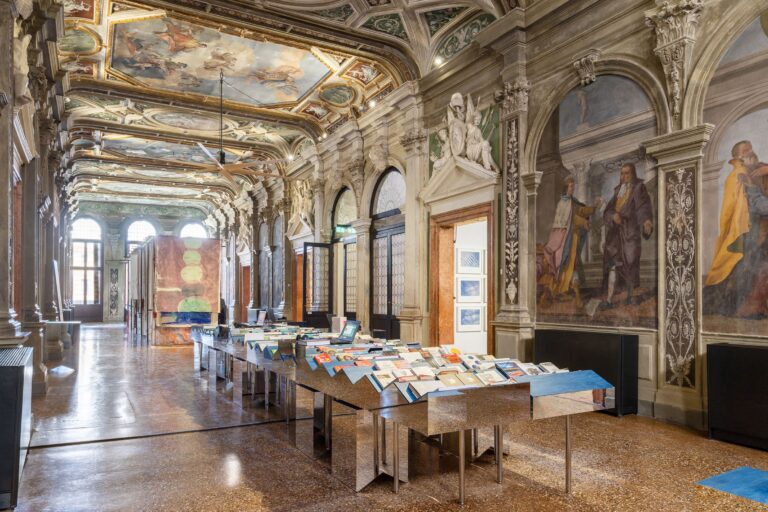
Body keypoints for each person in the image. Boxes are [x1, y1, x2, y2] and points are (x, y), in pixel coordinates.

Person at [703, 141, 760, 315]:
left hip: (749, 226)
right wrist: (729, 230)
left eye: (751, 147)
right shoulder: (738, 175)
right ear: (738, 156)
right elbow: (728, 209)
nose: (751, 151)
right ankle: (728, 307)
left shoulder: (751, 173)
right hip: (741, 228)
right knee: (737, 266)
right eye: (746, 150)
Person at [540, 175, 602, 308]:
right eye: (571, 186)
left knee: (572, 265)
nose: (573, 188)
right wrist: (583, 222)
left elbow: (581, 211)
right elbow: (569, 220)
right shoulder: (563, 203)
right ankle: (561, 291)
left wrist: (594, 207)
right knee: (564, 265)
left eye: (574, 186)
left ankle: (568, 291)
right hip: (563, 241)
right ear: (566, 188)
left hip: (572, 239)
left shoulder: (572, 202)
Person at [601, 163, 654, 307]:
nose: (624, 176)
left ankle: (630, 296)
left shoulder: (638, 188)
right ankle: (609, 299)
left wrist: (647, 221)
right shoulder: (618, 190)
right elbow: (607, 211)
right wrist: (613, 216)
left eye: (627, 173)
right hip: (615, 235)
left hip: (630, 232)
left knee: (630, 265)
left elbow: (643, 206)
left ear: (633, 174)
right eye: (622, 174)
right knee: (612, 265)